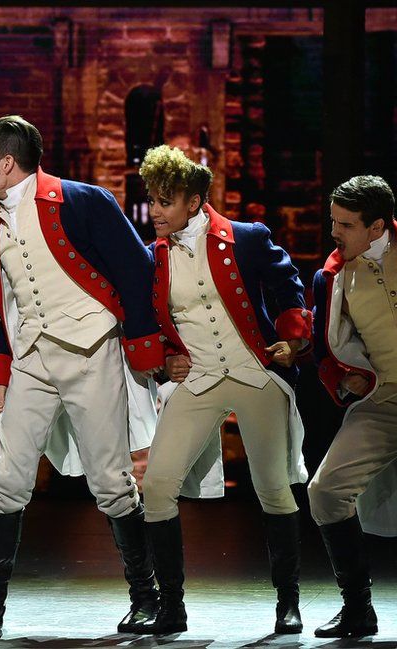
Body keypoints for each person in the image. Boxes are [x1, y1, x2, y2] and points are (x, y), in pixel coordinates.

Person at [0, 115, 163, 632]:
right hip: (32, 358)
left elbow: (136, 269)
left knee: (110, 479)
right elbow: (6, 305)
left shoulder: (82, 201)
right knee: (7, 477)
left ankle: (145, 594)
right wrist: (1, 370)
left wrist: (144, 344)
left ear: (6, 163)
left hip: (91, 350)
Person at [138, 144, 311, 635]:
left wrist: (292, 335)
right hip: (201, 379)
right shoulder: (155, 255)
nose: (155, 211)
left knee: (273, 487)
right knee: (157, 485)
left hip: (254, 370)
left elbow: (287, 283)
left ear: (193, 202)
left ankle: (288, 603)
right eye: (153, 199)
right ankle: (171, 607)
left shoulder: (246, 237)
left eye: (165, 201)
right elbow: (151, 318)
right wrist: (163, 358)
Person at [308, 175, 397, 638]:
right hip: (385, 399)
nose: (335, 232)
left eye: (345, 224)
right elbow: (325, 349)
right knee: (325, 490)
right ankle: (358, 609)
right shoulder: (334, 275)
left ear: (377, 226)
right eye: (333, 221)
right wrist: (349, 375)